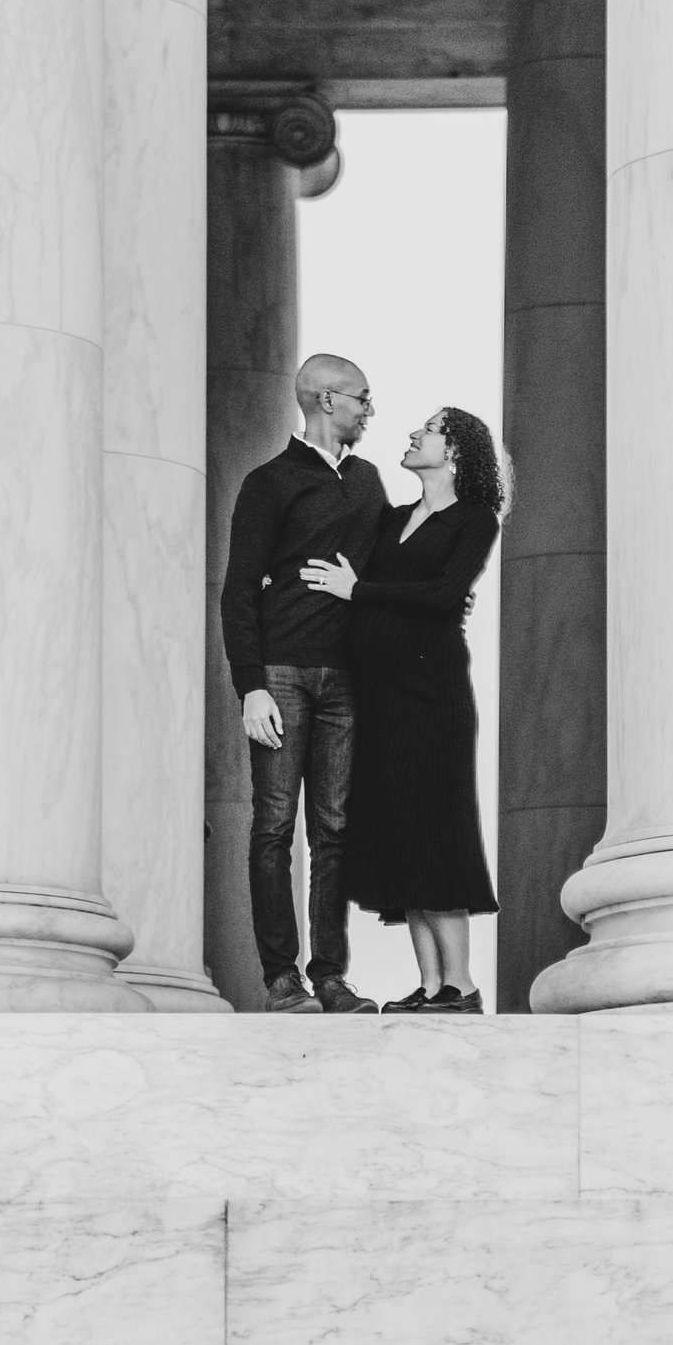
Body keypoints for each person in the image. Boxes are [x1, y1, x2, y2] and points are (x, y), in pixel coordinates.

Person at [301, 403, 506, 1012]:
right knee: (402, 834)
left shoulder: (475, 520)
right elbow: (367, 576)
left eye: (431, 430)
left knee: (437, 829)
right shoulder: (390, 520)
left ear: (457, 452)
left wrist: (360, 592)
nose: (415, 434)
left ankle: (462, 986)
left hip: (431, 697)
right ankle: (432, 984)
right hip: (381, 698)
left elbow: (443, 595)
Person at [217, 350, 388, 1012]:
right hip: (282, 675)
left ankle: (331, 975)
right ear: (325, 400)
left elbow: (389, 576)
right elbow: (238, 593)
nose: (369, 411)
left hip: (347, 680)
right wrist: (251, 686)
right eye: (361, 399)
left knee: (335, 831)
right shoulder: (269, 483)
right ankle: (281, 979)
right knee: (274, 825)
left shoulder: (370, 482)